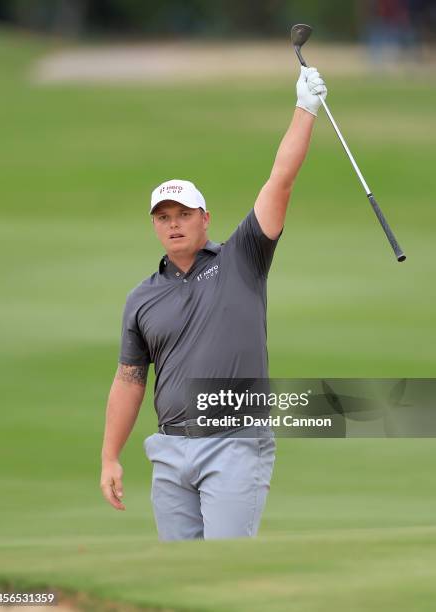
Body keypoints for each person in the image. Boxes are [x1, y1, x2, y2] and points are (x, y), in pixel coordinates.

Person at [100, 66, 328, 540]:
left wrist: (305, 110)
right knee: (180, 578)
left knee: (224, 566)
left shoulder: (243, 256)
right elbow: (129, 381)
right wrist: (110, 456)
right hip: (170, 449)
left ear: (206, 218)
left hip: (234, 441)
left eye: (184, 214)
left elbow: (279, 181)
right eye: (163, 217)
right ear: (154, 226)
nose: (174, 224)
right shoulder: (142, 298)